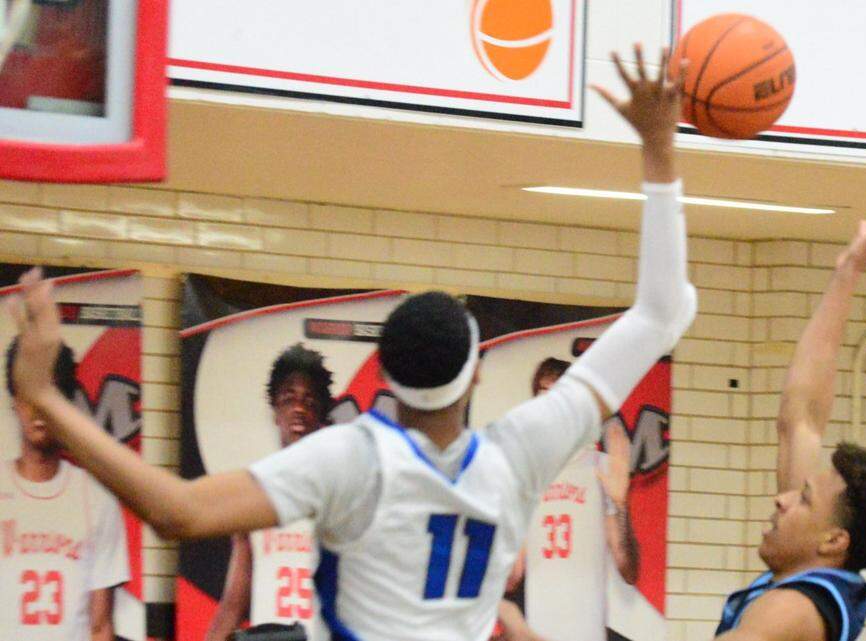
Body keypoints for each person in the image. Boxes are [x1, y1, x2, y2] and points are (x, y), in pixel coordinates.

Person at [6, 44, 696, 641]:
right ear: (475, 376)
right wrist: (659, 151)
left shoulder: (354, 459)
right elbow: (662, 312)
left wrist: (44, 395)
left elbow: (176, 510)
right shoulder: (521, 451)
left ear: (386, 375)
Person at [712, 210, 866, 641]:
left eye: (805, 499)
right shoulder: (813, 587)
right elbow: (802, 416)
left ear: (833, 541)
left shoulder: (792, 607)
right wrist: (848, 272)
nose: (782, 499)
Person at [498, 358, 640, 641]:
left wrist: (620, 503)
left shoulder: (600, 468)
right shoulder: (526, 475)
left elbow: (628, 569)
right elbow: (512, 578)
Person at [0, 339, 129, 641]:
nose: (38, 409)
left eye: (51, 395)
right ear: (15, 400)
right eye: (30, 393)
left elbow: (100, 627)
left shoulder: (97, 499)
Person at [205, 344, 335, 641]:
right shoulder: (255, 493)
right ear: (275, 410)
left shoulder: (338, 490)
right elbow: (234, 602)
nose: (299, 408)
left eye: (310, 400)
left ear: (320, 414)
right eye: (289, 398)